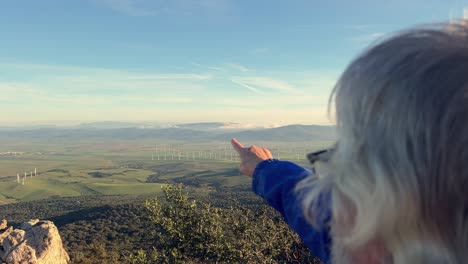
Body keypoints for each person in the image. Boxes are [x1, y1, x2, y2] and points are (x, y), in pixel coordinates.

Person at [231, 21, 468, 264]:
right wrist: (265, 168)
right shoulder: (377, 237)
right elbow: (316, 213)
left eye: (355, 165)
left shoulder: (364, 239)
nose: (327, 191)